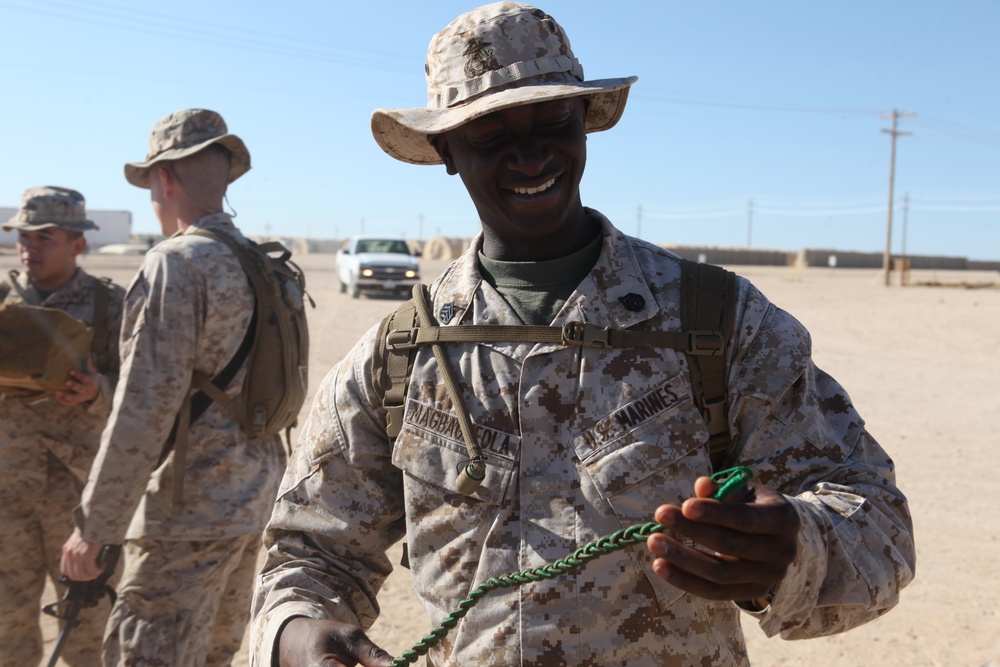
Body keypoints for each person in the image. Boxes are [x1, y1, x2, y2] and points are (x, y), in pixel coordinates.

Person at [250, 3, 916, 666]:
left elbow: (879, 525)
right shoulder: (401, 356)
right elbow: (306, 553)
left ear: (585, 125)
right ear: (446, 151)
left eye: (552, 121)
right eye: (490, 133)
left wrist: (791, 548)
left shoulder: (716, 323)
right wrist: (297, 635)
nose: (532, 152)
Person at [60, 109, 287, 666]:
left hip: (187, 518)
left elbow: (143, 408)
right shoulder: (266, 265)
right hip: (252, 504)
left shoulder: (179, 264)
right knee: (213, 655)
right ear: (226, 176)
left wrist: (96, 526)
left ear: (164, 178)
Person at [0, 186, 126, 667]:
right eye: (22, 236)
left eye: (44, 237)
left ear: (78, 243)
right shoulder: (3, 301)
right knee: (7, 625)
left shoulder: (108, 306)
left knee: (86, 626)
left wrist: (99, 391)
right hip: (7, 489)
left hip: (78, 498)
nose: (28, 247)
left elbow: (144, 393)